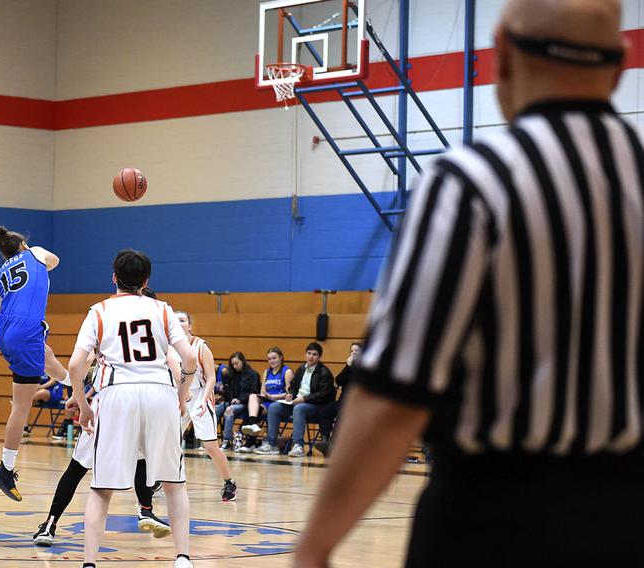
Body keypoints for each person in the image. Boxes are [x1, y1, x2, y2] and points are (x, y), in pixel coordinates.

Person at [296, 2, 644, 567]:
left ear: (502, 52)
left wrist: (314, 547)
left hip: (492, 522)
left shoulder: (472, 185)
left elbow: (393, 395)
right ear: (621, 66)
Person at [68, 249, 198, 568]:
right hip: (160, 391)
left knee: (101, 489)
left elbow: (74, 365)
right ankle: (182, 557)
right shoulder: (163, 310)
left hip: (116, 393)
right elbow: (190, 360)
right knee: (174, 483)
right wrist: (181, 396)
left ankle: (89, 563)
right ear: (146, 280)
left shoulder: (98, 311)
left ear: (114, 277)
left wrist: (83, 406)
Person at [32, 288, 172, 547]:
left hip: (110, 401)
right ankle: (145, 508)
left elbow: (81, 363)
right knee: (142, 459)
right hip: (145, 400)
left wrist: (79, 395)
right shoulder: (160, 322)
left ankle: (50, 524)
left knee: (78, 468)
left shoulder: (107, 317)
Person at [0, 226, 59, 502]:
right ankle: (5, 468)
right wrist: (33, 253)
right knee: (21, 405)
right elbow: (55, 261)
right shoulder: (36, 253)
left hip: (4, 327)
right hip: (25, 326)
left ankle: (74, 388)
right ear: (23, 245)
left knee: (48, 358)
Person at [174, 310, 237, 500]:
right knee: (169, 443)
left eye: (183, 320)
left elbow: (211, 377)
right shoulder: (169, 347)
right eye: (175, 320)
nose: (179, 323)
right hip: (180, 396)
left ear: (190, 325)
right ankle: (166, 479)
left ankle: (229, 482)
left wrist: (203, 400)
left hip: (201, 395)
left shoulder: (200, 346)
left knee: (210, 446)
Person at [255, 343, 334, 457]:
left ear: (319, 357)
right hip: (297, 401)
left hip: (314, 405)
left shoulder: (324, 372)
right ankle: (272, 444)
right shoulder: (301, 369)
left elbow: (323, 394)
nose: (311, 357)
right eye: (309, 353)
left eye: (314, 354)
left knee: (298, 408)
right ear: (305, 354)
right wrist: (290, 395)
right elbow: (293, 387)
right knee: (274, 407)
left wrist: (304, 398)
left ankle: (298, 445)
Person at [312, 342, 361, 456]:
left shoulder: (364, 369)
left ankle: (333, 446)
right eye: (351, 351)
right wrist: (348, 367)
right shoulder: (349, 367)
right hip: (342, 401)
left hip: (356, 404)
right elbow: (338, 380)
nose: (353, 353)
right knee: (324, 412)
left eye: (356, 351)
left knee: (342, 414)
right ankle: (325, 439)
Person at [218, 352, 261, 450]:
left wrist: (240, 399)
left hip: (245, 403)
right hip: (232, 401)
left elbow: (254, 392)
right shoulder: (231, 374)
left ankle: (226, 440)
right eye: (232, 364)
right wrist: (225, 388)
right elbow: (228, 392)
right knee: (215, 410)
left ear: (242, 361)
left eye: (236, 363)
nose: (234, 366)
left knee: (229, 410)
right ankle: (207, 440)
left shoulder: (253, 374)